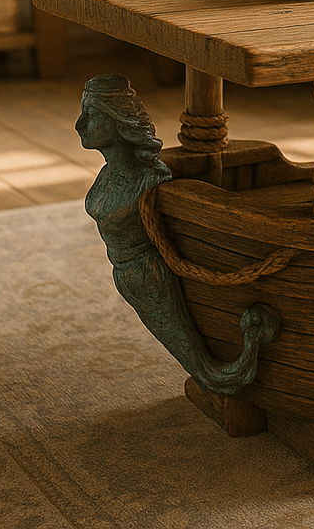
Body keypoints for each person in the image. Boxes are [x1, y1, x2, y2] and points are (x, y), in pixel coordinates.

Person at [78, 74, 276, 395]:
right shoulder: (107, 175)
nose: (80, 124)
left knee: (197, 359)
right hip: (128, 274)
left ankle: (229, 368)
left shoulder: (151, 181)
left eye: (93, 115)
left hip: (148, 275)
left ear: (120, 123)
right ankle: (217, 374)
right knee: (190, 353)